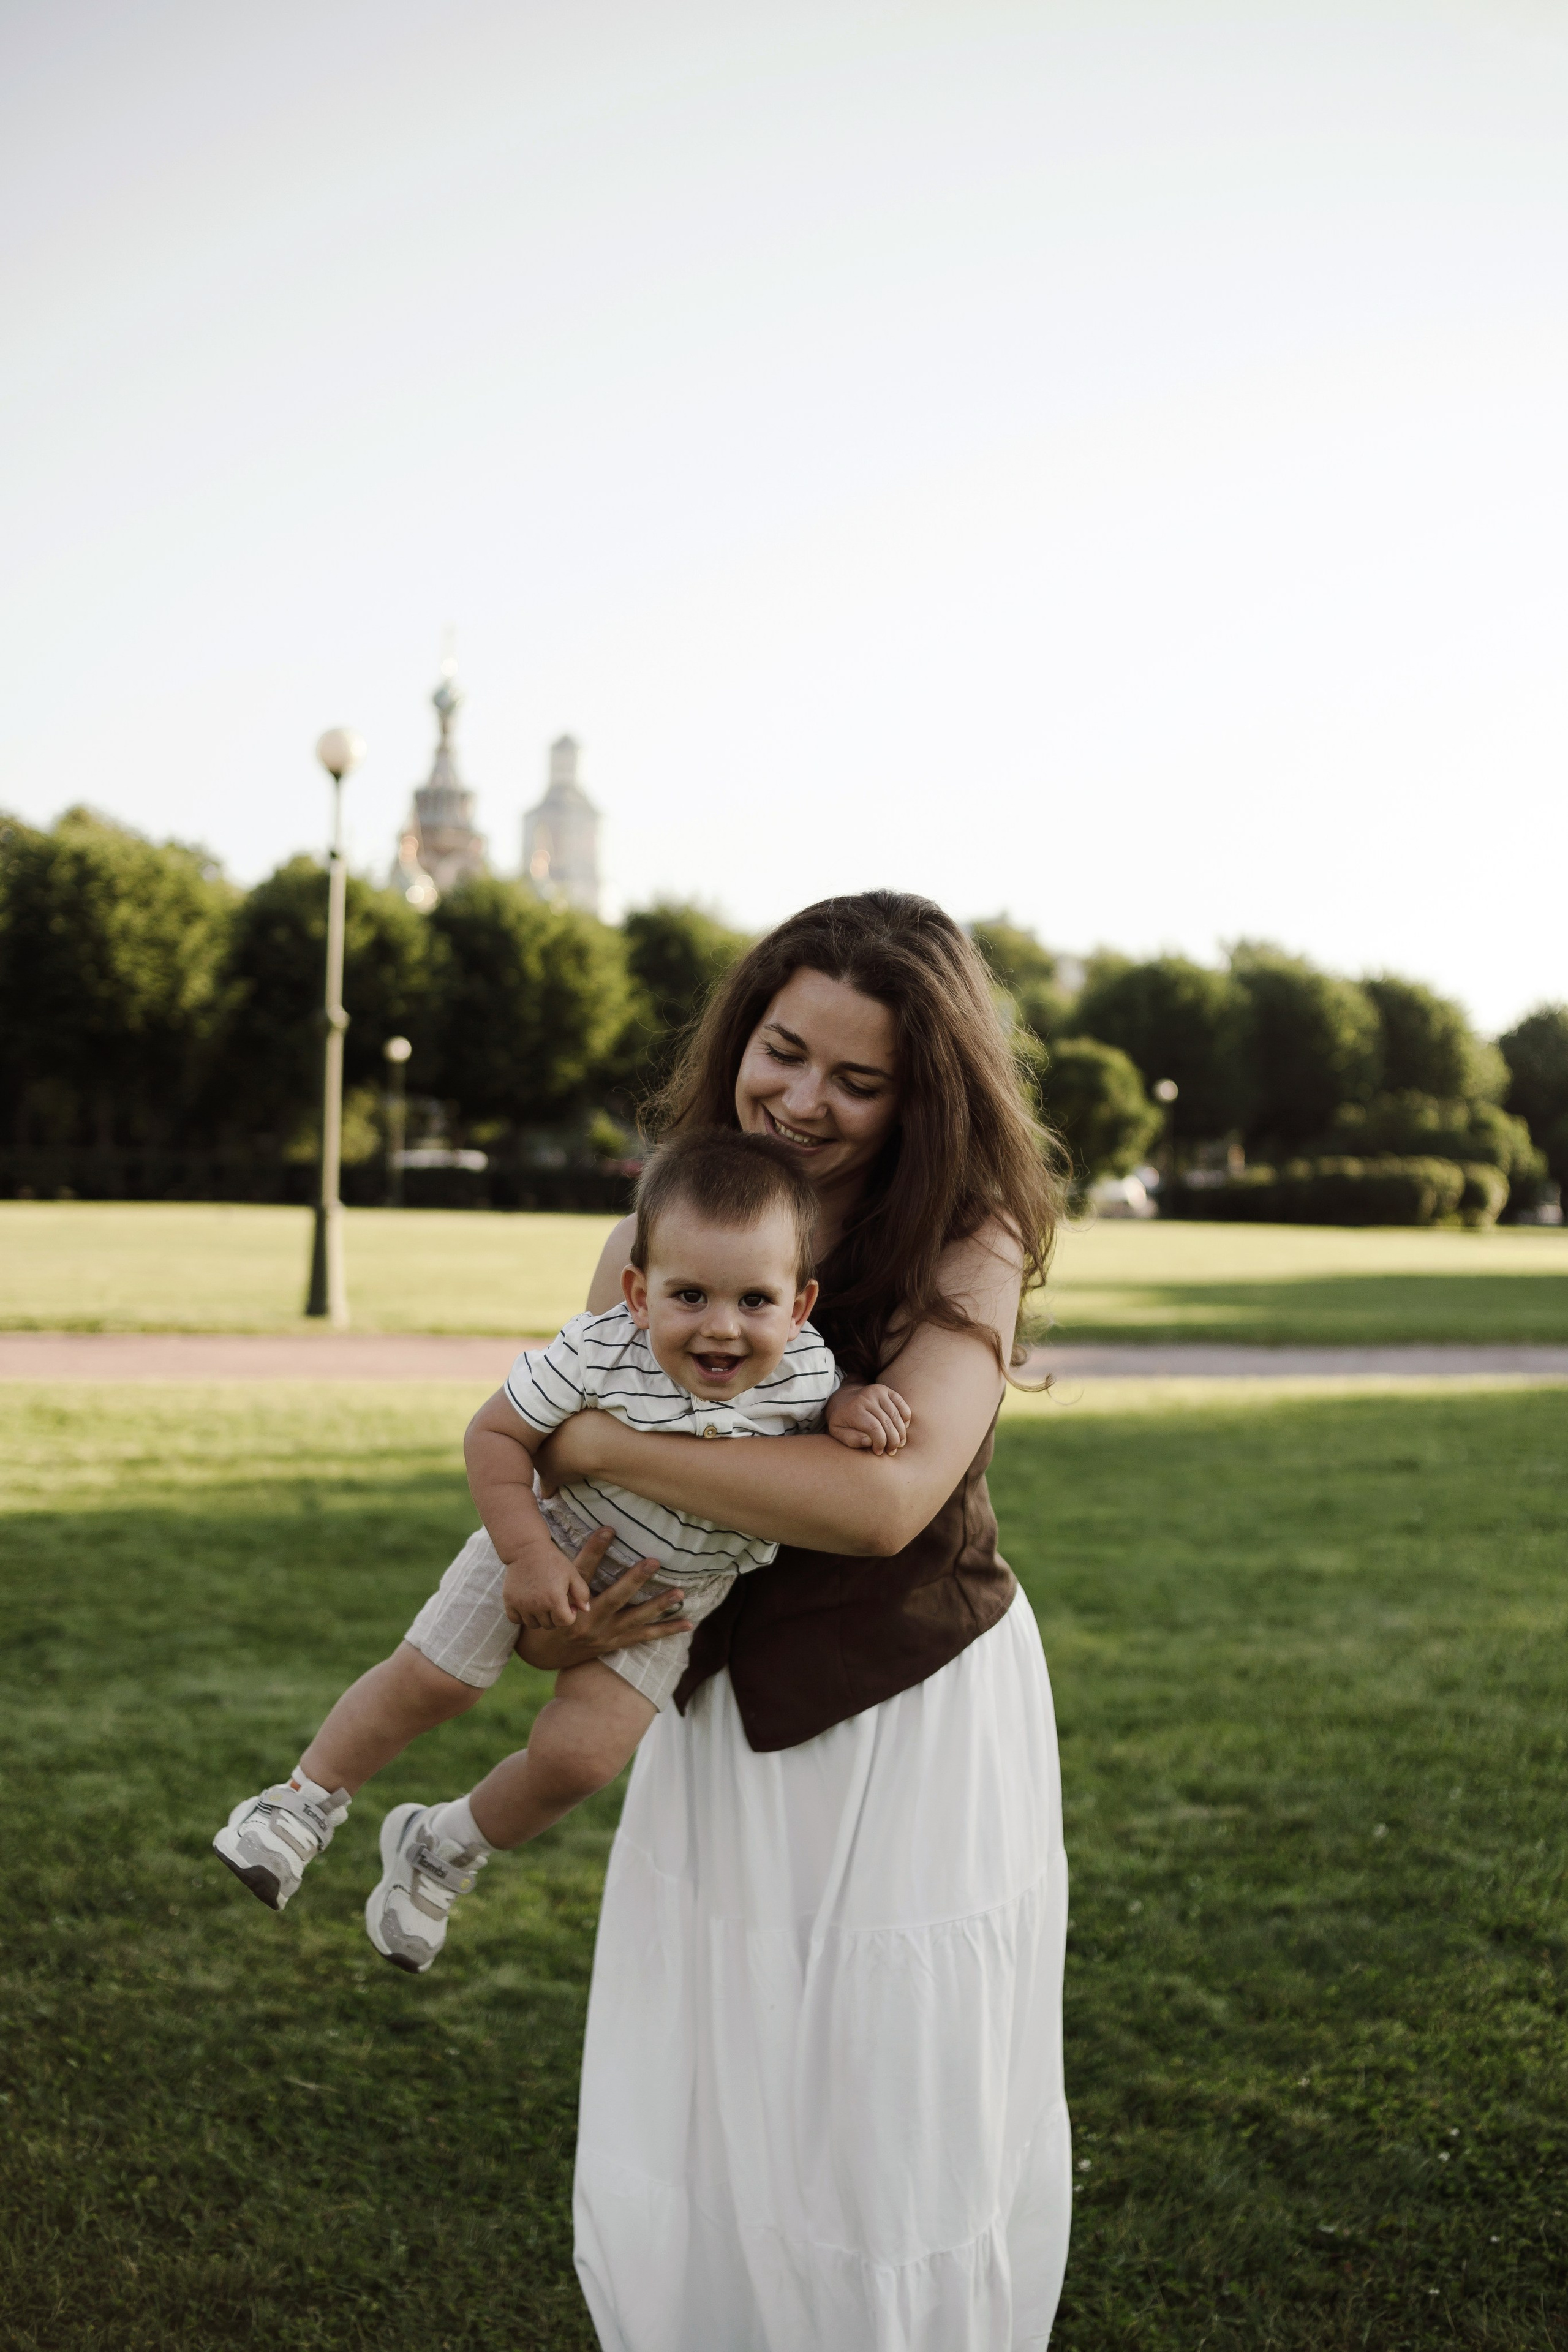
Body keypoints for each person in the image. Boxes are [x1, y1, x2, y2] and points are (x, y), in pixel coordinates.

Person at [516, 891, 1074, 2350]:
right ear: (741, 1036)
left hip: (908, 1717)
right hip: (710, 1716)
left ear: (922, 1092)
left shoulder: (973, 1234)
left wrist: (600, 1450)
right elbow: (557, 1503)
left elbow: (880, 1505)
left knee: (883, 2103)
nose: (800, 1101)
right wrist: (561, 1605)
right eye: (781, 1051)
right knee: (722, 2083)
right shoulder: (662, 1218)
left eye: (856, 1078)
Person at [211, 1128, 913, 1974]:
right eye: (689, 1296)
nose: (722, 1330)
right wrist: (528, 1555)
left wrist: (849, 1408)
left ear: (798, 1307)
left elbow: (824, 1415)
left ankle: (442, 1845)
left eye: (753, 1303)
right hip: (547, 1536)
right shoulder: (598, 1351)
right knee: (438, 1676)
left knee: (581, 1759)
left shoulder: (804, 1371)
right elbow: (494, 1435)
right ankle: (299, 1804)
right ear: (639, 1292)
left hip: (671, 1599)